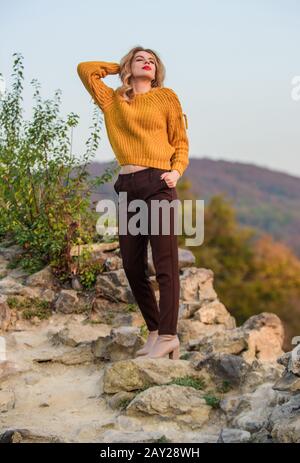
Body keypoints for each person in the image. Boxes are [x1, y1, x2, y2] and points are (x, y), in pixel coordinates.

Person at [77, 46, 189, 359]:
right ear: (129, 66)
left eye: (152, 60)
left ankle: (168, 335)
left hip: (158, 183)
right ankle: (154, 330)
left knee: (165, 263)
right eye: (140, 59)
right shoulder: (113, 99)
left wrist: (176, 172)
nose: (147, 63)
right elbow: (85, 68)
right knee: (131, 264)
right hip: (126, 186)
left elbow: (180, 141)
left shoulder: (167, 97)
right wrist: (120, 66)